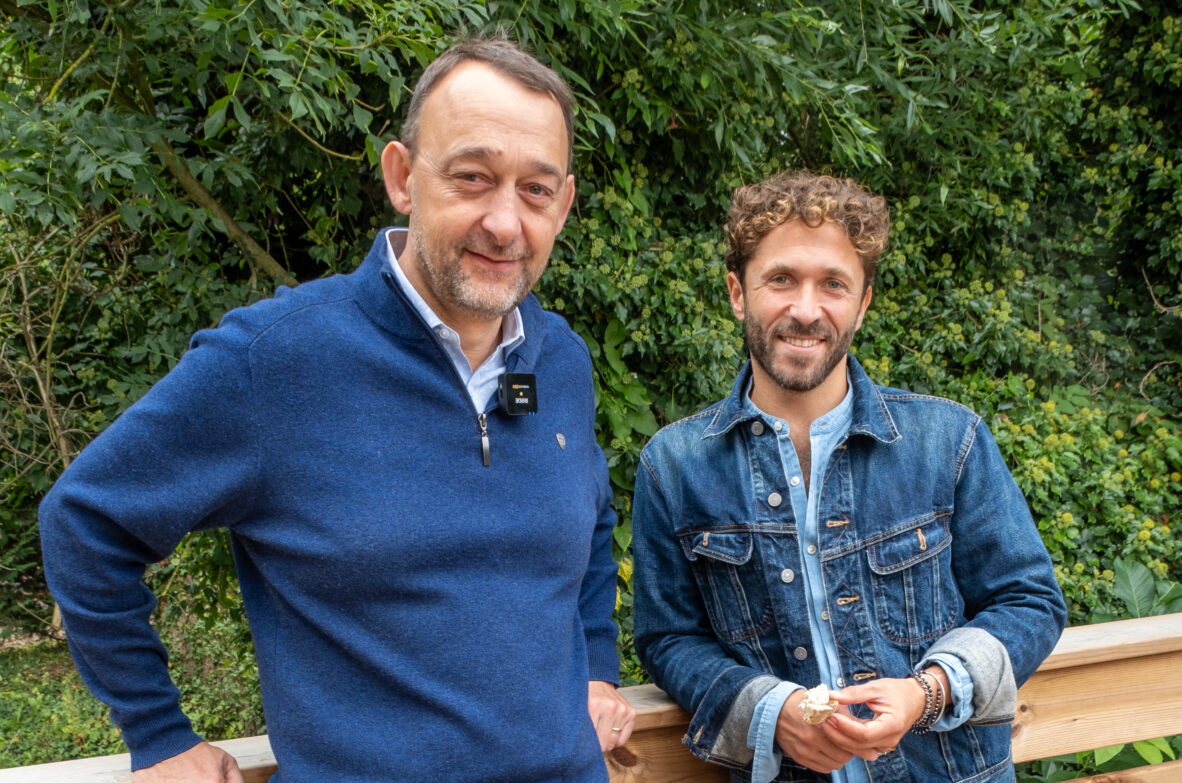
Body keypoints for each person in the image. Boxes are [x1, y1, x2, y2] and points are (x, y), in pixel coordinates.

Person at [39, 35, 635, 783]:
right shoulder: (276, 360)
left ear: (565, 203)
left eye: (535, 191)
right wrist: (158, 732)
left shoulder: (563, 360)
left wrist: (599, 672)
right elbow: (86, 521)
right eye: (474, 178)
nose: (506, 222)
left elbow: (591, 518)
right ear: (403, 176)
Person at [631, 170, 1066, 783]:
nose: (805, 310)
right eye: (780, 279)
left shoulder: (950, 441)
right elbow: (668, 638)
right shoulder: (672, 468)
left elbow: (1030, 600)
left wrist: (929, 691)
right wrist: (767, 711)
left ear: (861, 305)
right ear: (737, 292)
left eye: (832, 285)